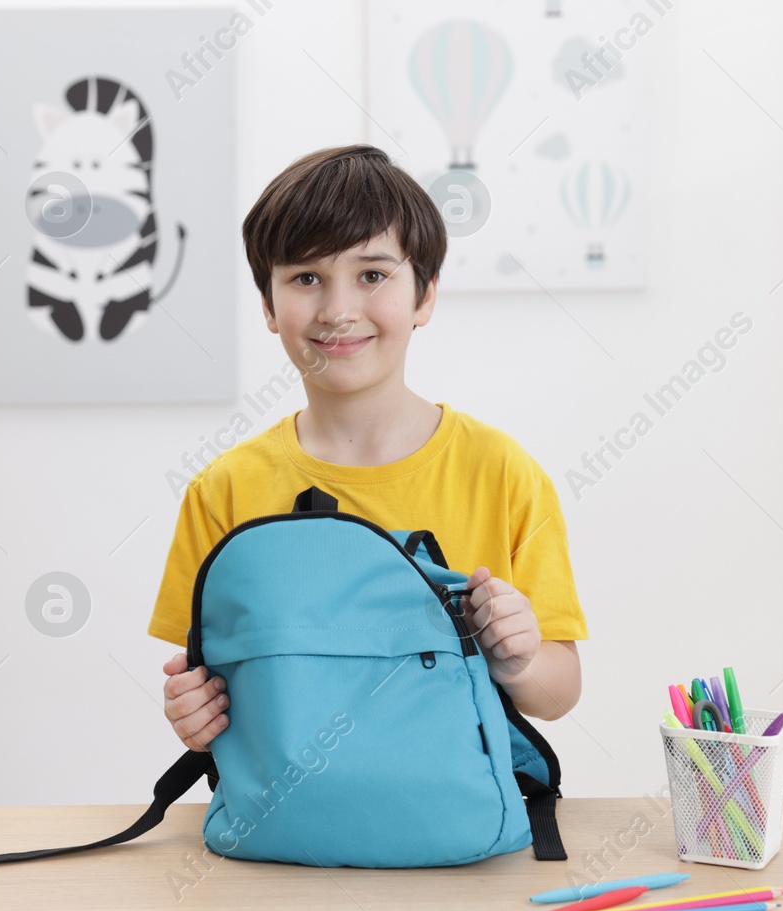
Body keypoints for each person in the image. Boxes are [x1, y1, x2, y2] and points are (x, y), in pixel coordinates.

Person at [147, 144, 588, 753]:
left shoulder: (503, 473)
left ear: (424, 295)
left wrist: (518, 660)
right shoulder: (224, 489)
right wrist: (195, 718)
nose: (338, 309)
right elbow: (211, 688)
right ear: (270, 307)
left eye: (373, 275)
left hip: (462, 824)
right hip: (282, 831)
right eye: (306, 278)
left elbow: (560, 695)